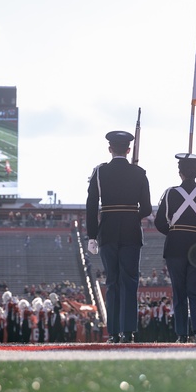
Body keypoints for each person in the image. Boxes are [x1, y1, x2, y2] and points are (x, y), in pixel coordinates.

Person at [85, 130, 152, 343]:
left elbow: (91, 205)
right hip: (131, 232)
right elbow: (147, 208)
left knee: (112, 282)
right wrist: (132, 215)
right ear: (128, 150)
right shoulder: (139, 173)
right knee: (130, 282)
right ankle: (128, 332)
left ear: (110, 149)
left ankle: (113, 333)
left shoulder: (99, 172)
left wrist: (92, 235)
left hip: (108, 231)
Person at [154, 153, 196, 343]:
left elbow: (159, 222)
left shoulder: (170, 193)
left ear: (179, 172)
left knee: (179, 291)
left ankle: (181, 333)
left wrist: (174, 232)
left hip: (176, 245)